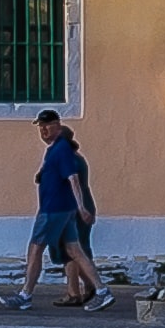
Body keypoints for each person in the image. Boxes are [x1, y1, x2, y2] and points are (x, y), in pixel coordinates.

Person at [28, 110, 101, 308]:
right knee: (73, 250)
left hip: (69, 208)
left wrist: (80, 208)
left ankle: (83, 289)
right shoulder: (74, 157)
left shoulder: (67, 157)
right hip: (74, 207)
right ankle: (82, 289)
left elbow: (71, 181)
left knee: (71, 251)